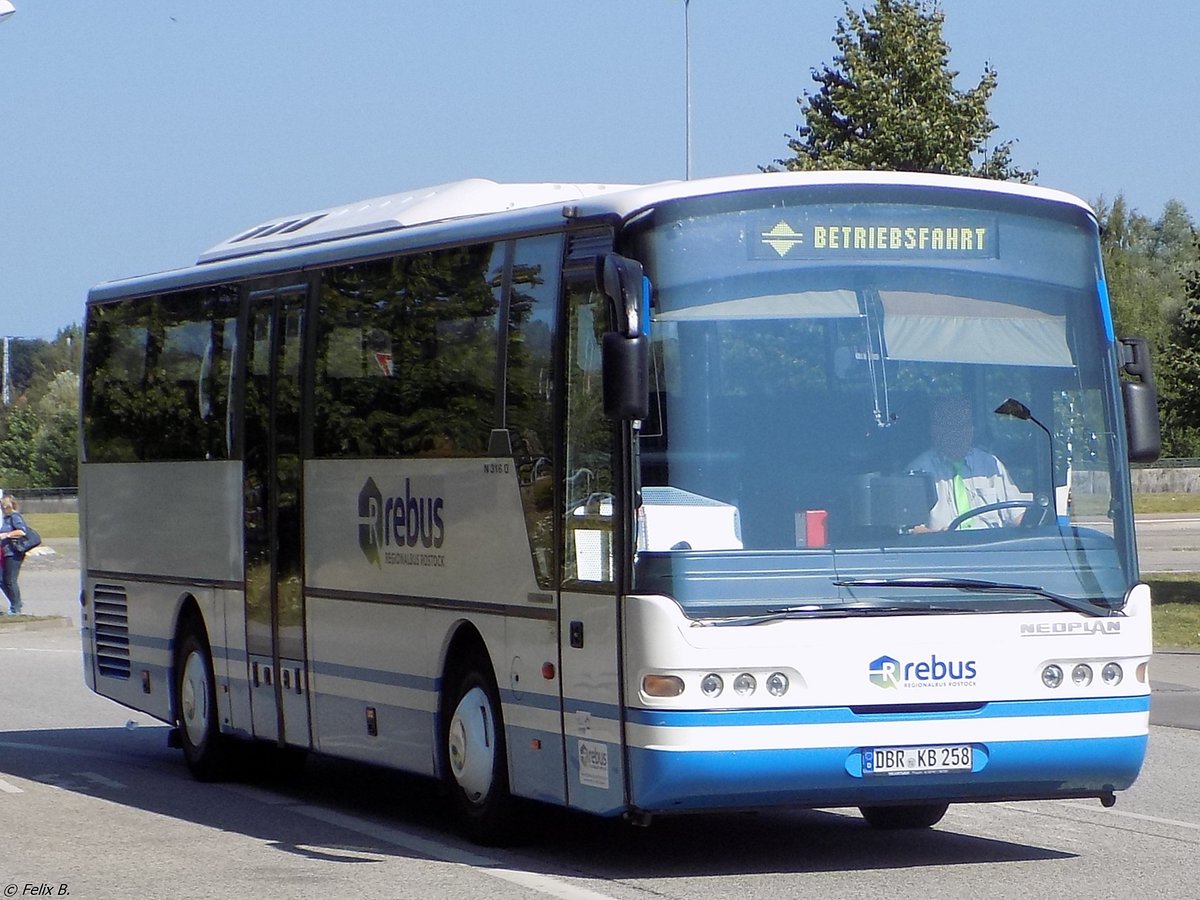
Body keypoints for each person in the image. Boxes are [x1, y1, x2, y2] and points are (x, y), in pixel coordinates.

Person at [907, 397, 1028, 531]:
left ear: (971, 429)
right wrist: (940, 537)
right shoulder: (917, 471)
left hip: (993, 547)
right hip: (944, 549)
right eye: (950, 426)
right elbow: (912, 530)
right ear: (935, 430)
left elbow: (1017, 515)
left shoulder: (991, 465)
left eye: (962, 425)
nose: (956, 432)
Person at [0, 494, 29, 615]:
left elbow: (22, 531)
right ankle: (14, 602)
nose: (3, 508)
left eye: (5, 506)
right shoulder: (5, 518)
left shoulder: (15, 516)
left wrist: (6, 535)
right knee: (2, 580)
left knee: (10, 580)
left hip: (14, 552)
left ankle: (16, 607)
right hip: (6, 552)